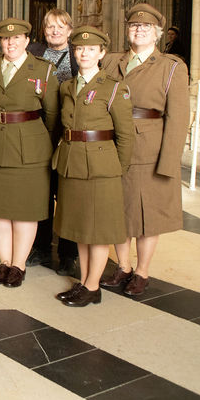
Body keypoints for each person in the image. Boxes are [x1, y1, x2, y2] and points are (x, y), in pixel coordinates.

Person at [101, 4, 189, 297]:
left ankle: (142, 271)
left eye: (146, 27)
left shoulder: (171, 67)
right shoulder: (111, 61)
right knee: (118, 209)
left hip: (148, 149)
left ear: (158, 34)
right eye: (134, 26)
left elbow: (177, 118)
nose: (139, 30)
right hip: (113, 144)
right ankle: (123, 266)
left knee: (147, 215)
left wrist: (169, 162)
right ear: (127, 31)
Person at [52, 26, 133, 307]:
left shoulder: (113, 88)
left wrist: (115, 168)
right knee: (81, 229)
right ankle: (87, 282)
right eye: (79, 49)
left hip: (101, 168)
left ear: (102, 53)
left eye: (90, 49)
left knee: (97, 231)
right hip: (72, 163)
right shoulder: (67, 86)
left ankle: (92, 284)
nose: (83, 53)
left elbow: (126, 135)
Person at [0, 18, 60, 289]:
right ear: (0, 41)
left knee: (25, 210)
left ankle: (19, 264)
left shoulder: (44, 70)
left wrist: (35, 139)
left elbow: (52, 115)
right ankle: (4, 261)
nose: (10, 43)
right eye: (5, 39)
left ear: (27, 40)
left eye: (16, 38)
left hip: (30, 149)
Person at [27, 8, 79, 276]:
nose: (55, 31)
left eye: (60, 27)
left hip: (69, 132)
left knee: (68, 194)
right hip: (40, 131)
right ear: (43, 30)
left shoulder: (80, 55)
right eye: (50, 27)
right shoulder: (34, 52)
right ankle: (41, 247)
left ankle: (69, 253)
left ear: (70, 30)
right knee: (41, 192)